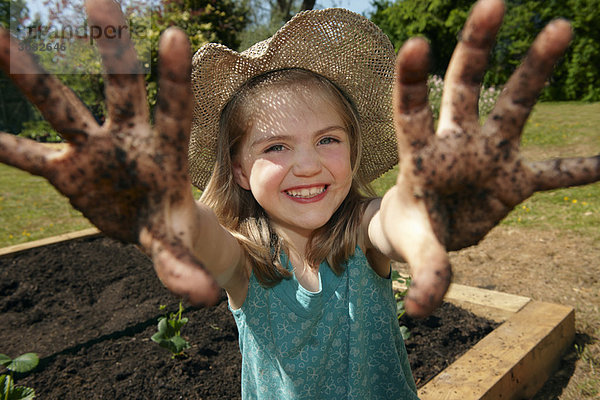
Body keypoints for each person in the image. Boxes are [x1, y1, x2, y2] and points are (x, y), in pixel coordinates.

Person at [0, 0, 598, 398]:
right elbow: (204, 237)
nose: (307, 164)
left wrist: (421, 211)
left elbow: (391, 220)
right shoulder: (244, 262)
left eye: (328, 140)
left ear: (356, 148)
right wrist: (167, 209)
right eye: (275, 147)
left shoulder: (364, 231)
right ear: (236, 169)